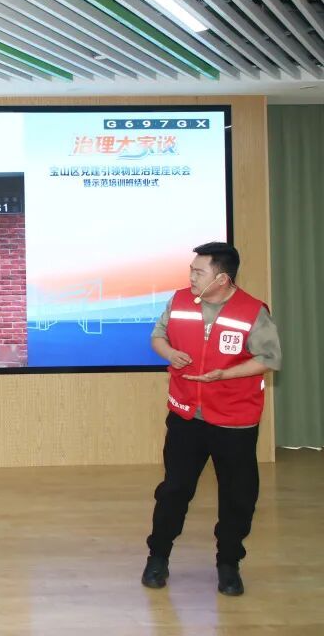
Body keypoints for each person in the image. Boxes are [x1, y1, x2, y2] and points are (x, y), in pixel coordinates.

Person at [141, 242, 281, 597]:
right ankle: (158, 557)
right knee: (174, 490)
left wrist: (224, 375)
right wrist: (169, 352)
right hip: (186, 415)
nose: (190, 276)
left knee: (238, 496)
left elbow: (269, 358)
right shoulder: (179, 301)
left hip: (234, 420)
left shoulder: (252, 312)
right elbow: (158, 336)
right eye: (191, 270)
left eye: (198, 272)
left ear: (222, 279)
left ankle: (228, 564)